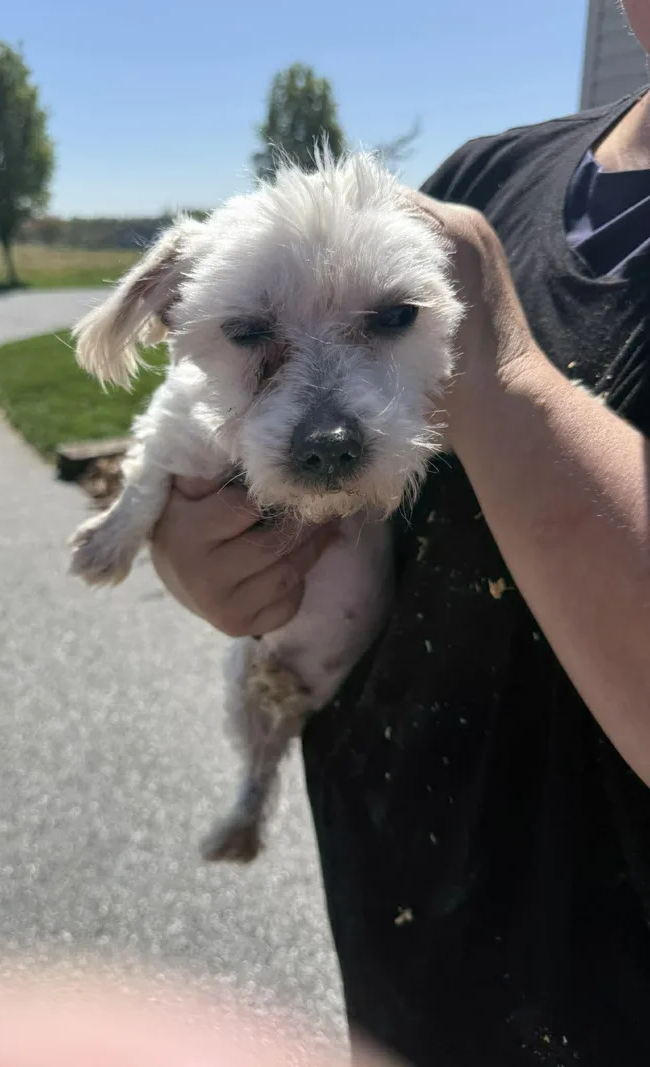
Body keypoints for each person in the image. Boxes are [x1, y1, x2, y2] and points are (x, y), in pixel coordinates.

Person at [150, 3, 650, 1065]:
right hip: (397, 905)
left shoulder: (458, 238)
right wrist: (208, 551)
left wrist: (504, 375)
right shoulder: (485, 178)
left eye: (388, 316)